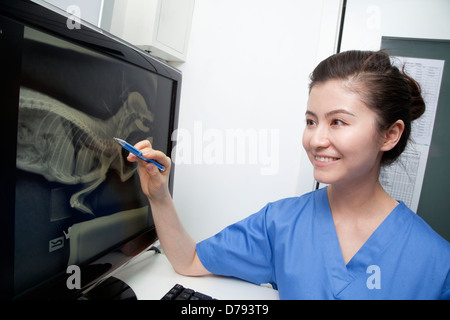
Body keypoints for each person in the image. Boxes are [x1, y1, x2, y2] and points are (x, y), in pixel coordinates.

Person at [128, 50, 450, 300]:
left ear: (389, 135)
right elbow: (190, 261)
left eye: (337, 121)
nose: (316, 139)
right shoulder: (282, 224)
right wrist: (158, 194)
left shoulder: (437, 264)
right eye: (311, 121)